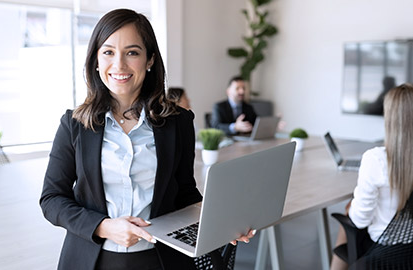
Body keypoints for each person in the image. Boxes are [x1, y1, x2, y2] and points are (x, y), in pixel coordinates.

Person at [39, 9, 254, 270]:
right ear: (96, 59)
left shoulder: (178, 122)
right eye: (108, 52)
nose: (119, 65)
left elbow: (184, 193)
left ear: (149, 59)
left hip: (161, 259)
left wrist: (219, 224)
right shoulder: (74, 124)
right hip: (91, 260)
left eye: (132, 52)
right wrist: (104, 227)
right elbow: (52, 199)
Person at [330, 83, 413, 270]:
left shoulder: (377, 159)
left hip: (384, 254)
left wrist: (352, 208)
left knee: (348, 214)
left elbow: (360, 220)